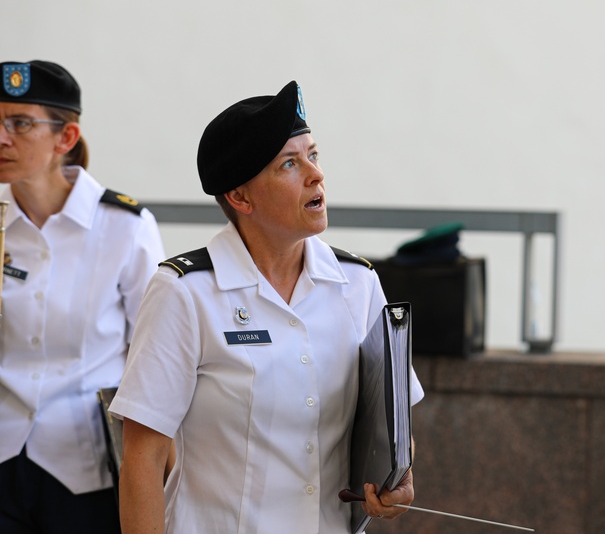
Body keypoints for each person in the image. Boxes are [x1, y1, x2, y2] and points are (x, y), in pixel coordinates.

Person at [109, 80, 424, 533]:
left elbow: (392, 421)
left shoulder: (357, 283)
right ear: (240, 198)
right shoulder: (185, 292)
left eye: (313, 156)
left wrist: (401, 477)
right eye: (290, 164)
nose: (316, 176)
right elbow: (143, 457)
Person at [0, 60, 165, 532]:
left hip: (86, 464)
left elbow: (154, 356)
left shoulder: (124, 226)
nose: (2, 137)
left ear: (65, 138)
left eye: (20, 123)